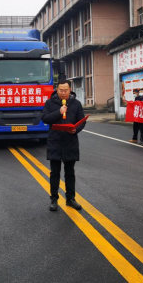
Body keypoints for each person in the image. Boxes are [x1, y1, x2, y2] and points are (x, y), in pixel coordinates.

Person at [41, 80, 86, 212]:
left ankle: (70, 199)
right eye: (61, 90)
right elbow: (44, 118)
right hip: (55, 141)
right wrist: (59, 112)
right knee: (54, 173)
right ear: (57, 90)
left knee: (70, 172)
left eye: (66, 90)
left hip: (70, 142)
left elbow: (81, 121)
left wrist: (75, 130)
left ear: (70, 89)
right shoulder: (50, 103)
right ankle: (54, 199)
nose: (63, 93)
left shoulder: (76, 104)